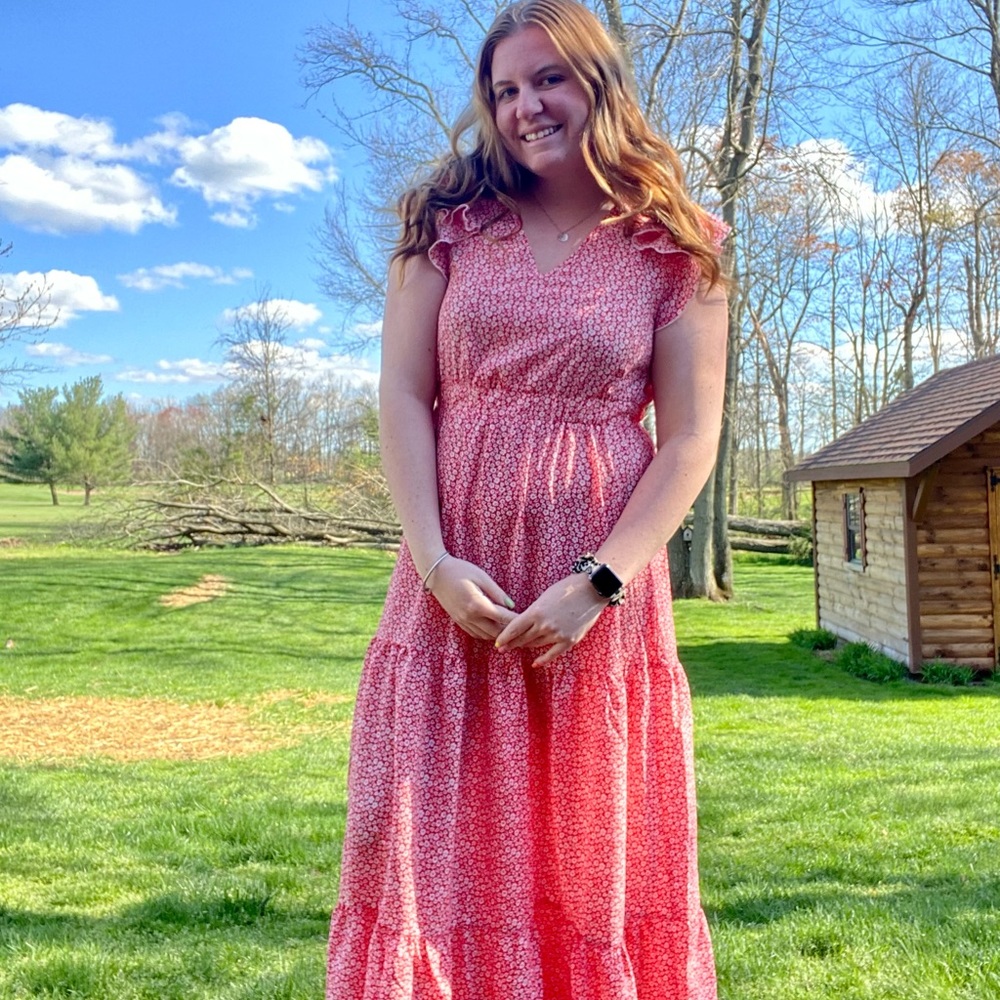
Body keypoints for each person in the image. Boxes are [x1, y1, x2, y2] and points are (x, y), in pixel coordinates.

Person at [325, 0, 728, 996]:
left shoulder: (677, 242)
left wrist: (597, 583)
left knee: (585, 860)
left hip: (593, 601)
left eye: (547, 78)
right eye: (503, 89)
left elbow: (687, 438)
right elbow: (405, 394)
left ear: (598, 82)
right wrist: (429, 556)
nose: (523, 107)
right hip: (452, 583)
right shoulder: (446, 223)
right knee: (414, 843)